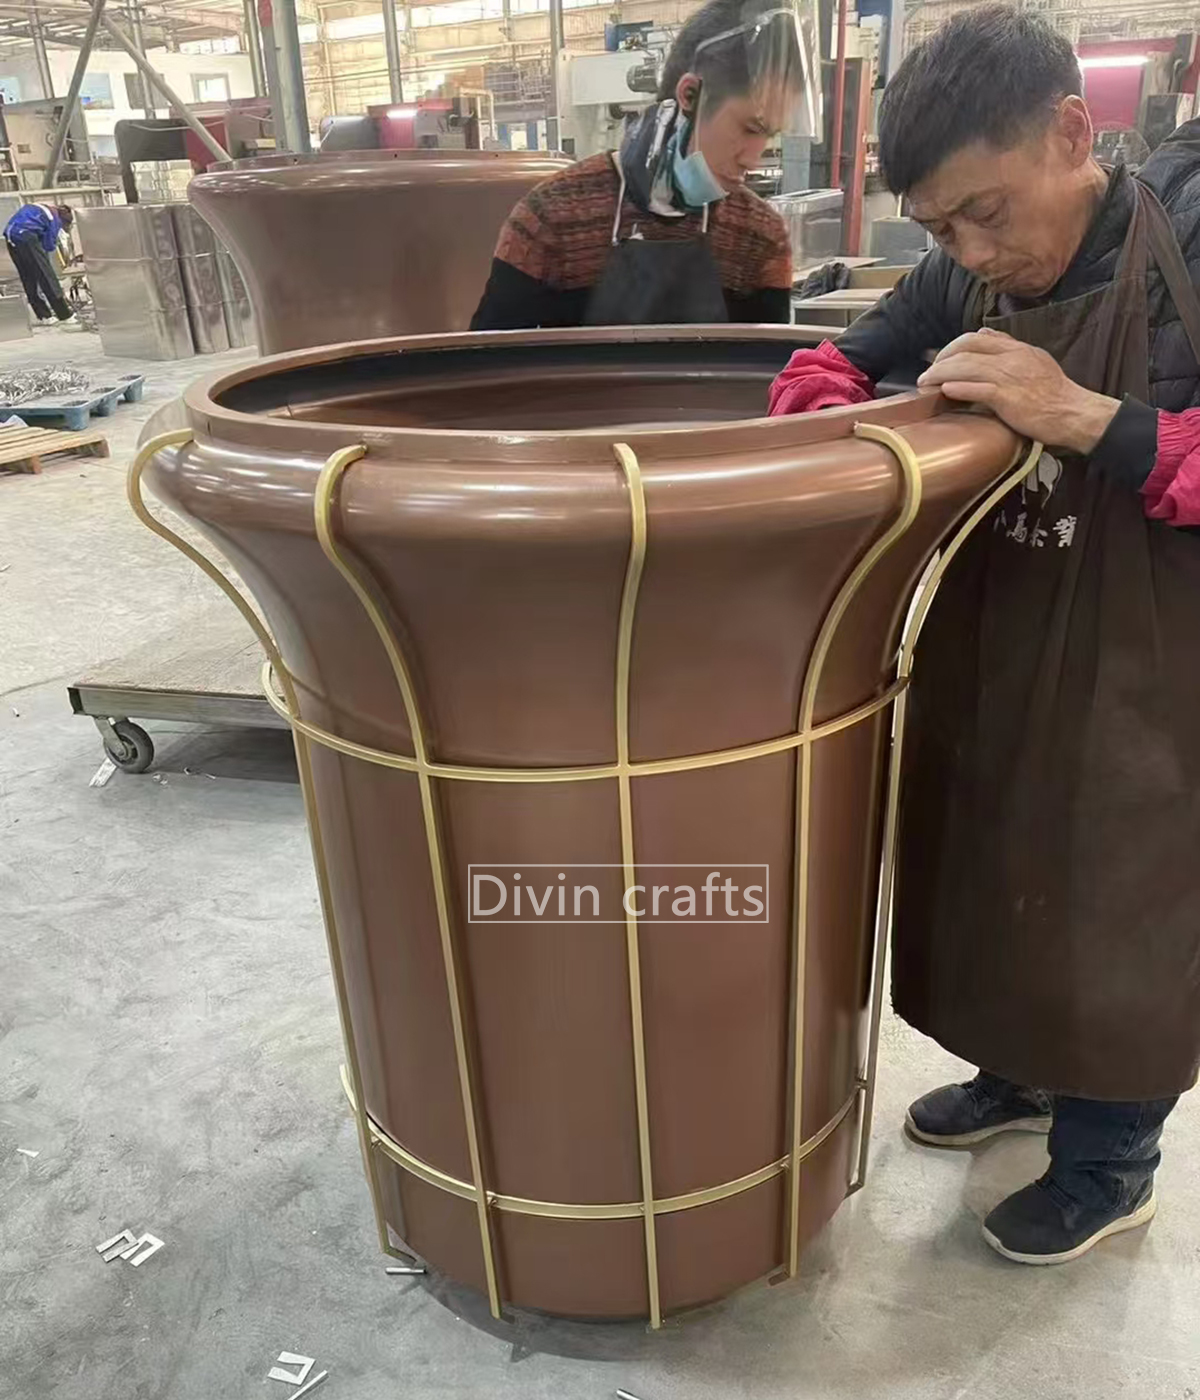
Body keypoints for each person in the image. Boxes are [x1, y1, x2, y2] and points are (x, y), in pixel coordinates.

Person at [770, 5, 1200, 1267]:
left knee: (1122, 894)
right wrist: (810, 419)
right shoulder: (964, 269)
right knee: (1000, 851)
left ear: (1072, 133)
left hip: (1153, 663)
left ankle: (1110, 1161)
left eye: (987, 213)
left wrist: (1084, 415)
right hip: (1004, 633)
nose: (970, 251)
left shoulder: (1184, 240)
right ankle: (1021, 1073)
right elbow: (844, 361)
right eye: (940, 226)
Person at [471, 0, 809, 329]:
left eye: (770, 135)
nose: (753, 158)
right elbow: (490, 360)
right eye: (749, 128)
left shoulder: (759, 237)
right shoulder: (550, 218)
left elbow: (769, 367)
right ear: (690, 95)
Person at [4, 202, 75, 324]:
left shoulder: (42, 208)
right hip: (26, 236)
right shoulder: (55, 219)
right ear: (64, 222)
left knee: (28, 277)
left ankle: (44, 316)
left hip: (11, 237)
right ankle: (65, 315)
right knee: (47, 276)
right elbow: (49, 245)